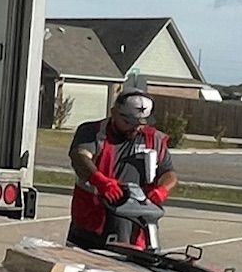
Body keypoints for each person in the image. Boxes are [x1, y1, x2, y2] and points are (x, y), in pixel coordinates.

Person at [67, 89, 178, 250]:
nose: (135, 128)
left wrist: (162, 189)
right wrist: (100, 181)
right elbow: (80, 157)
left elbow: (169, 173)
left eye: (140, 124)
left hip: (137, 225)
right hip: (92, 222)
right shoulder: (93, 132)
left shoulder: (154, 139)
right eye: (128, 122)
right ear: (114, 113)